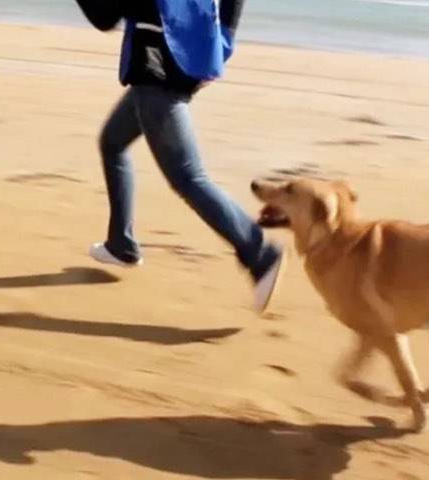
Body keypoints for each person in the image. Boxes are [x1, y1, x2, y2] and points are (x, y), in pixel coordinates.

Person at [75, 0, 284, 312]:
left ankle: (258, 254)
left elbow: (104, 17)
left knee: (188, 176)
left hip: (155, 70)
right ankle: (121, 244)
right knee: (112, 143)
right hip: (183, 60)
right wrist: (221, 42)